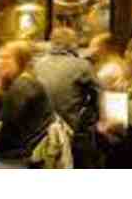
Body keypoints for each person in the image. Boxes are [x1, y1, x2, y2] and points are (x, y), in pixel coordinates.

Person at [0, 40, 54, 168]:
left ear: (21, 61)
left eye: (7, 58)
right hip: (24, 148)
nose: (0, 62)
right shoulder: (23, 81)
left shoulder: (22, 87)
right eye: (0, 57)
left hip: (22, 157)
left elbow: (7, 133)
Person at [34, 28, 100, 168]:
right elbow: (100, 94)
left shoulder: (37, 64)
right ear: (73, 44)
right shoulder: (82, 65)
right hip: (69, 131)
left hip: (38, 131)